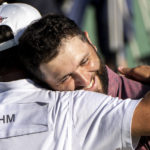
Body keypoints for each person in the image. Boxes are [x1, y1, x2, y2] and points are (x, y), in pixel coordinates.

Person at [1, 3, 150, 150]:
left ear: (89, 41)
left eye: (85, 61)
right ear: (38, 77)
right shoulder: (70, 107)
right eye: (65, 78)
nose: (85, 80)